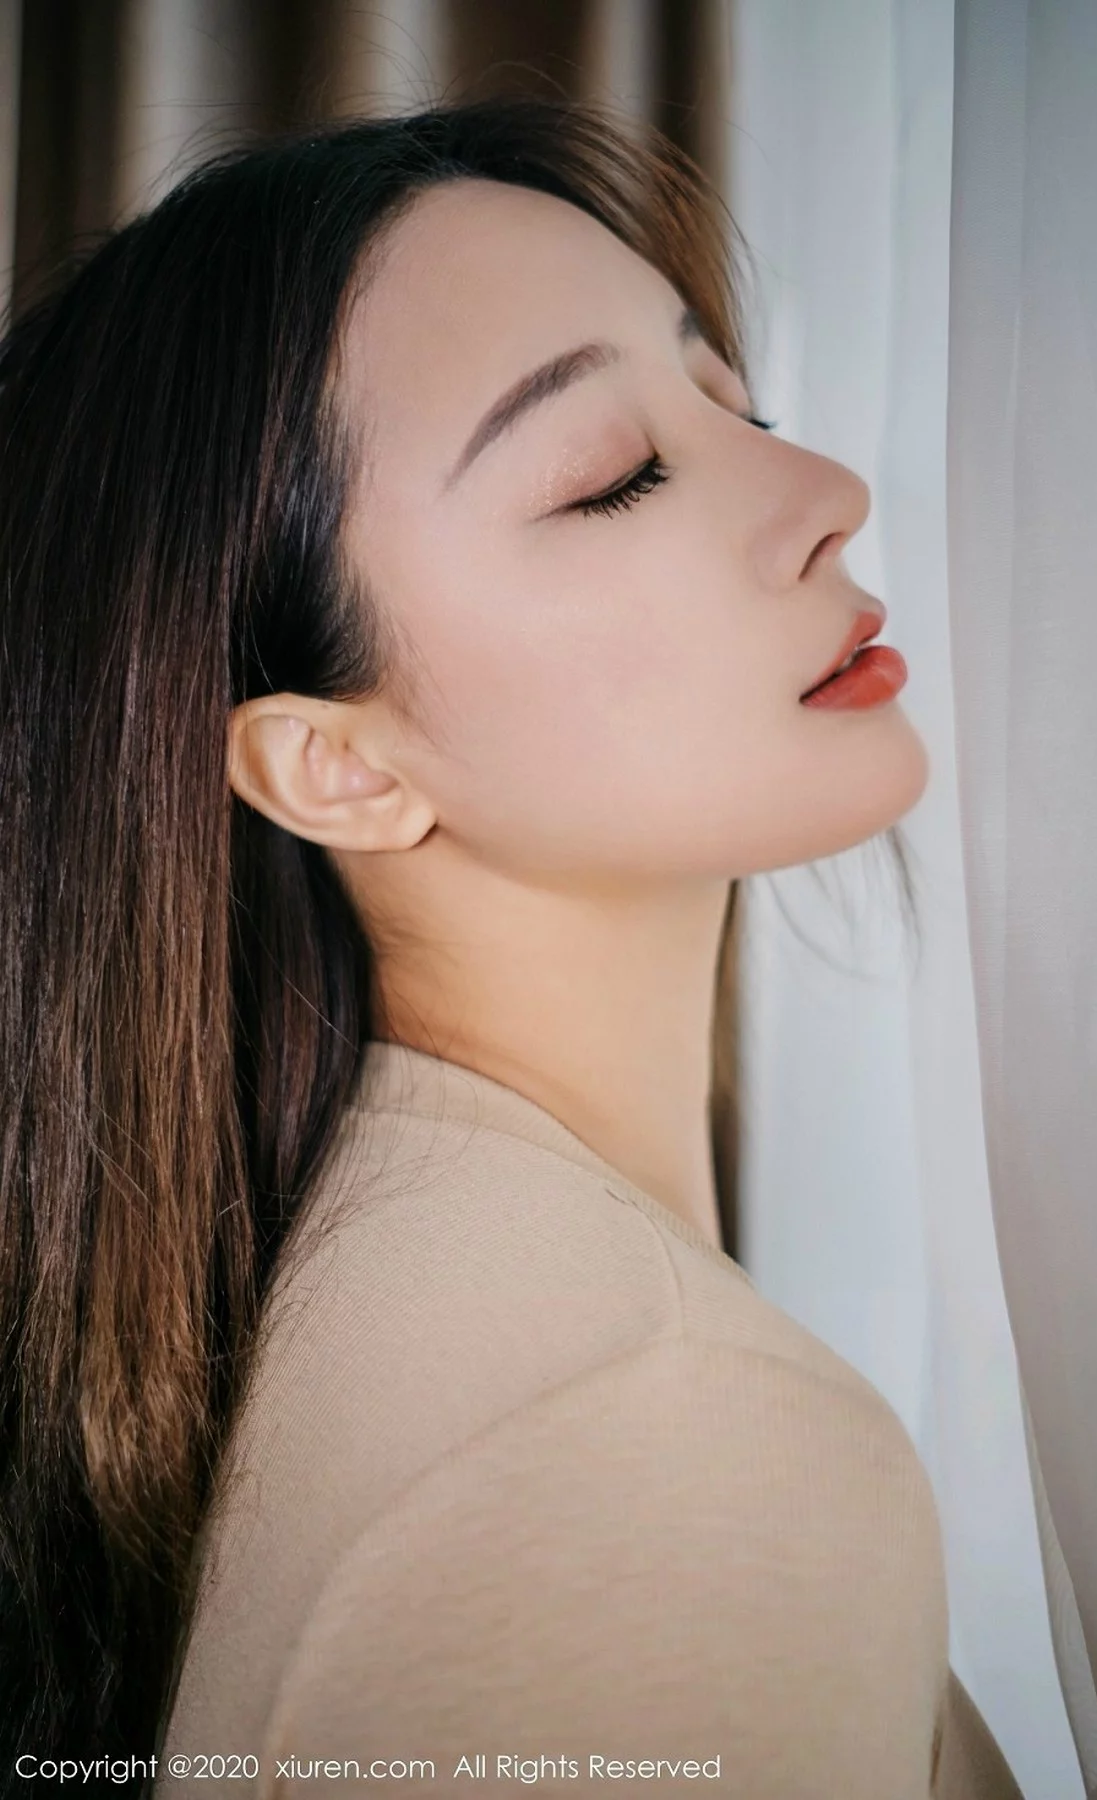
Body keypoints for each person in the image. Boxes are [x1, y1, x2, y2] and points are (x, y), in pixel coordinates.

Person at [0, 95, 1022, 1798]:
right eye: (613, 479)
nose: (829, 493)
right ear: (338, 767)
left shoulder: (399, 1290)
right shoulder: (650, 1436)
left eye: (739, 404)